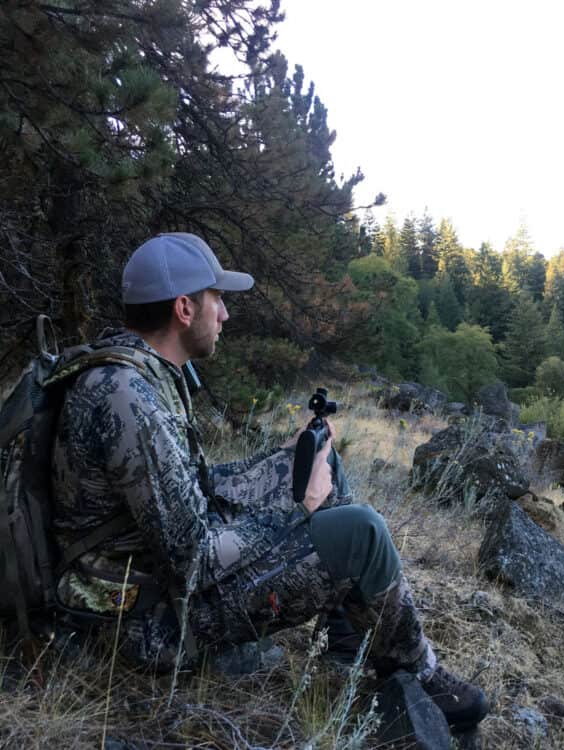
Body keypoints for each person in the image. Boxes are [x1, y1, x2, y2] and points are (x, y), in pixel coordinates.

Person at [47, 233, 485, 734]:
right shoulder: (130, 398)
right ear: (184, 309)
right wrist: (301, 507)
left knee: (317, 463)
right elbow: (193, 559)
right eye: (218, 300)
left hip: (139, 579)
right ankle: (416, 672)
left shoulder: (132, 372)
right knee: (362, 532)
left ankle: (346, 641)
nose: (226, 315)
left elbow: (186, 494)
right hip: (141, 625)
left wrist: (287, 462)